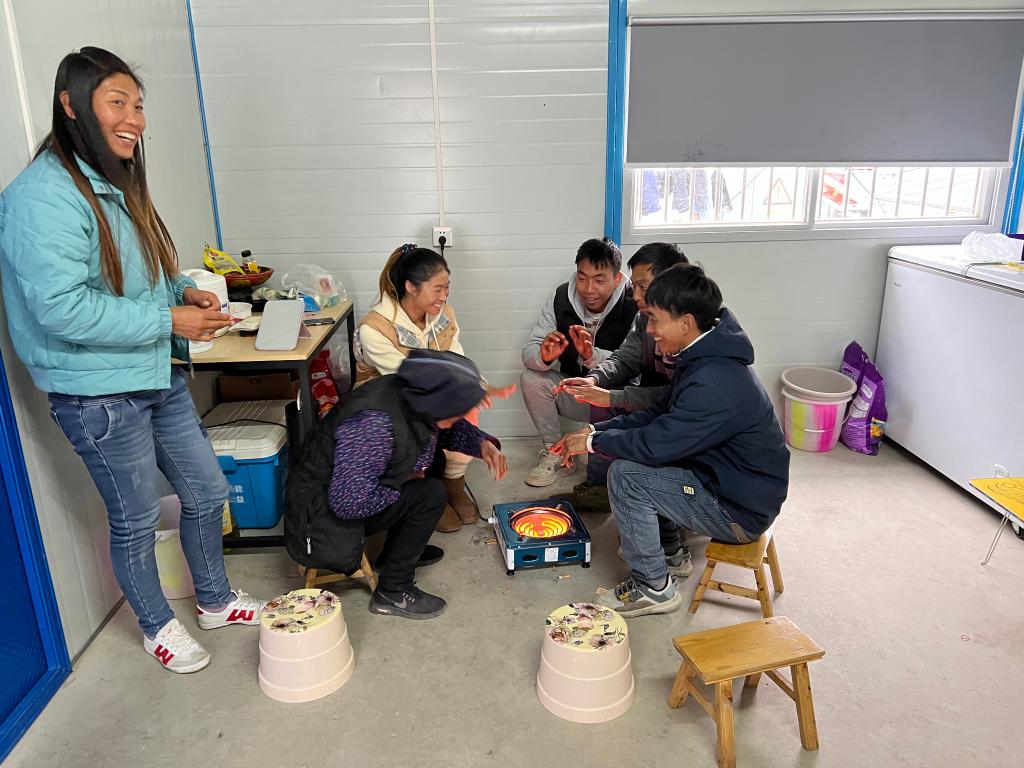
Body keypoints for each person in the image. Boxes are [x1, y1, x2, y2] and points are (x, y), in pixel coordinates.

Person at [0, 48, 264, 673]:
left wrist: (182, 291)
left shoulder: (110, 181)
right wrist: (170, 320)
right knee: (136, 517)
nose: (134, 120)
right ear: (71, 106)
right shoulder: (43, 197)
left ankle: (215, 601)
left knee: (206, 491)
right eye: (117, 103)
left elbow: (135, 274)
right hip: (95, 392)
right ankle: (156, 625)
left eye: (139, 105)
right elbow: (61, 308)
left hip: (153, 371)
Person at [552, 264, 790, 618]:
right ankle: (672, 556)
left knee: (627, 476)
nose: (650, 330)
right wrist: (595, 432)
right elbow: (660, 414)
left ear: (685, 322)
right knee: (647, 461)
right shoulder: (704, 357)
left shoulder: (713, 381)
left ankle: (653, 587)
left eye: (654, 319)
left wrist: (593, 444)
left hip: (738, 510)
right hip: (726, 483)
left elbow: (654, 444)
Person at [284, 350, 509, 620]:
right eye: (458, 409)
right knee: (430, 495)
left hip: (344, 492)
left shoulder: (412, 394)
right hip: (322, 520)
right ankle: (393, 590)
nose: (463, 415)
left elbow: (442, 428)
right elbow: (349, 503)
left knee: (433, 463)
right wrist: (402, 481)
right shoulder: (373, 424)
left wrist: (481, 443)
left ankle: (393, 554)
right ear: (438, 402)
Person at [354, 244, 514, 532]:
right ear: (410, 287)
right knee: (423, 418)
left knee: (467, 409)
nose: (444, 296)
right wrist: (459, 395)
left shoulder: (443, 314)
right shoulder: (374, 328)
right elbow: (410, 379)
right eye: (437, 289)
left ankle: (453, 485)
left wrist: (475, 389)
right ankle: (422, 493)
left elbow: (457, 359)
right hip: (390, 398)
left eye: (447, 287)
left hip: (432, 390)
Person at [554, 242, 689, 512]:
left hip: (682, 418)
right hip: (657, 404)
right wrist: (594, 380)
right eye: (634, 286)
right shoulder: (645, 317)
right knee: (603, 402)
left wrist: (613, 397)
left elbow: (677, 397)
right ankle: (599, 489)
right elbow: (625, 358)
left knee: (612, 405)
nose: (635, 295)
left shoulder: (692, 327)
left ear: (672, 282)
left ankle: (676, 508)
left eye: (643, 286)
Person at [520, 238, 637, 487]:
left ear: (617, 279)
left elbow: (635, 366)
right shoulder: (562, 296)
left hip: (615, 400)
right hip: (580, 394)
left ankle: (611, 456)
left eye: (599, 280)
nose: (589, 289)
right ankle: (555, 452)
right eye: (582, 278)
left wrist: (591, 356)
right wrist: (544, 355)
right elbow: (529, 350)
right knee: (531, 378)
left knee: (610, 477)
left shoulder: (635, 303)